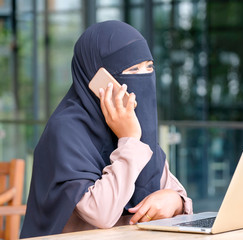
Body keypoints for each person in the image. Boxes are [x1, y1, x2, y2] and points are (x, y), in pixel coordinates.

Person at [20, 20, 193, 238]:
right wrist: (130, 139)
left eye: (149, 67)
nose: (144, 77)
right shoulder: (65, 130)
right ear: (99, 79)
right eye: (133, 70)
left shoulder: (138, 125)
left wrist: (175, 201)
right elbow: (101, 214)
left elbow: (174, 191)